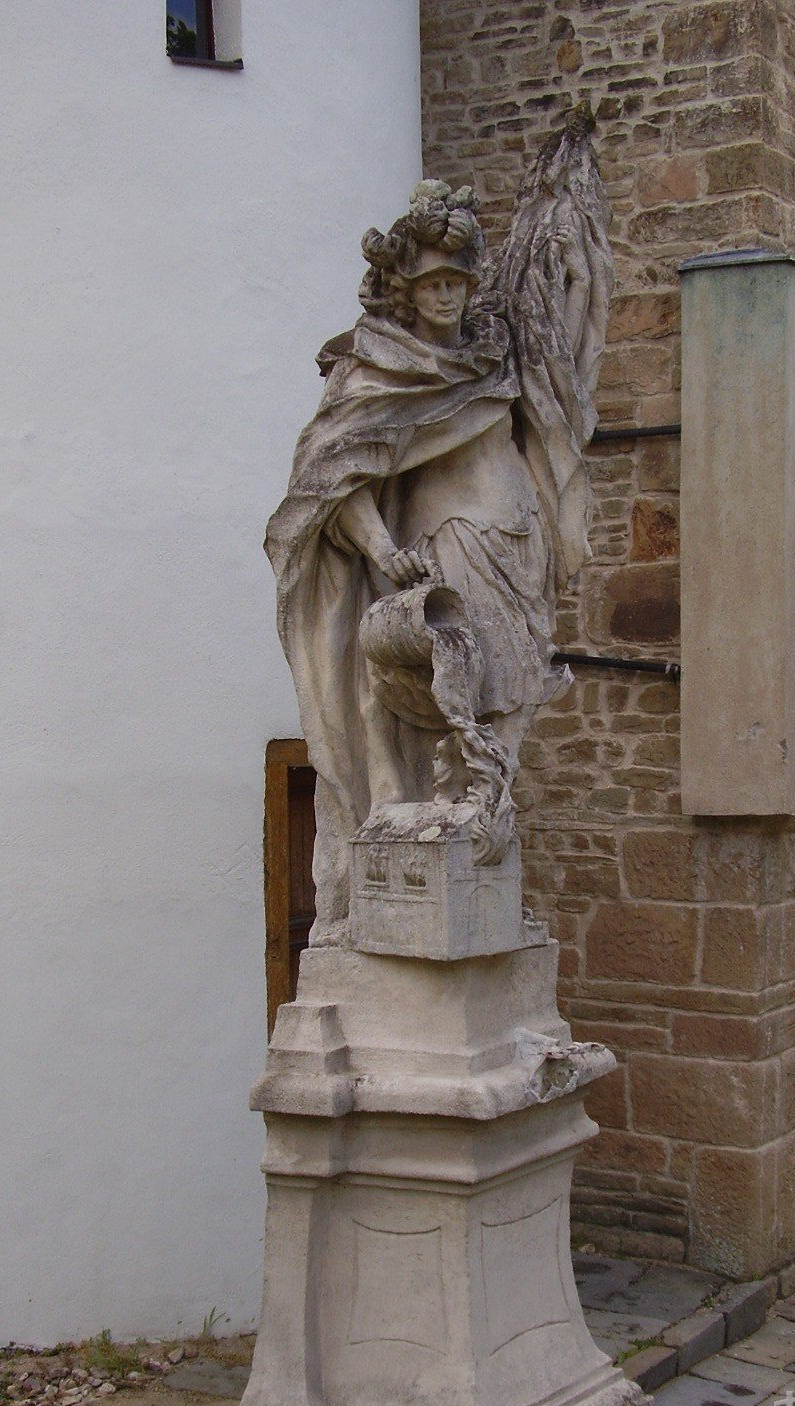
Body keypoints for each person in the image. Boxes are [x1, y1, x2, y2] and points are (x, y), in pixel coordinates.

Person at [266, 109, 613, 945]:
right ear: (406, 290)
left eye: (458, 282)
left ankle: (482, 839)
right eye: (432, 286)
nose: (449, 297)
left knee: (509, 702)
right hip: (437, 555)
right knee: (410, 701)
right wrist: (384, 551)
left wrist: (566, 242)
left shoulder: (496, 354)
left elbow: (558, 372)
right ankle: (400, 842)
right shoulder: (378, 370)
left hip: (514, 547)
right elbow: (333, 479)